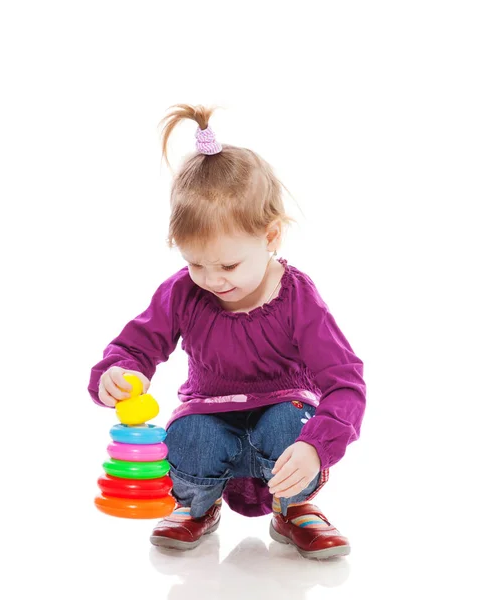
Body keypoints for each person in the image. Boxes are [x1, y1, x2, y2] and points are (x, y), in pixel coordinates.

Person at [88, 103, 366, 560]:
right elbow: (136, 345)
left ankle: (294, 508)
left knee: (289, 422)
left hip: (281, 429)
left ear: (271, 237)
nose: (212, 279)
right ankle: (197, 506)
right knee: (188, 434)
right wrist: (116, 372)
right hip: (210, 416)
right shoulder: (182, 292)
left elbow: (346, 381)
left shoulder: (296, 296)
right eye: (195, 263)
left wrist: (318, 446)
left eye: (229, 264)